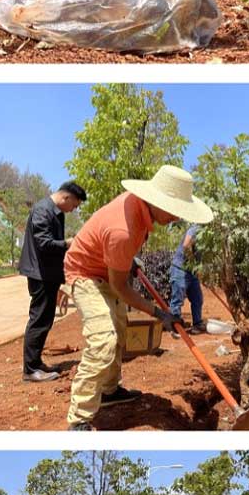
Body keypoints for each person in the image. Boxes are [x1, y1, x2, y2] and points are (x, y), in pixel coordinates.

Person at [63, 166, 213, 431]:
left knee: (119, 333)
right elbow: (120, 287)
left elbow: (115, 265)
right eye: (175, 209)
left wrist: (126, 260)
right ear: (157, 202)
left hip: (106, 270)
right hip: (84, 273)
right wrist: (158, 313)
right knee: (104, 341)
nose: (177, 217)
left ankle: (109, 391)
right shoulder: (124, 230)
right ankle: (79, 418)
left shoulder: (138, 211)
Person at [18, 181, 86, 382]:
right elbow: (44, 243)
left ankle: (36, 363)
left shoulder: (56, 212)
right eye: (74, 205)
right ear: (66, 197)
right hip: (40, 274)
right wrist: (68, 243)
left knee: (45, 320)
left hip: (48, 274)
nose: (74, 209)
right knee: (38, 320)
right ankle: (30, 370)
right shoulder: (42, 210)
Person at [169, 223, 205, 334]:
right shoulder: (196, 228)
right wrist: (193, 264)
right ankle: (175, 327)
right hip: (180, 268)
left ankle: (197, 324)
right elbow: (186, 245)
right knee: (177, 299)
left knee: (197, 298)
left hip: (191, 271)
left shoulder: (206, 234)